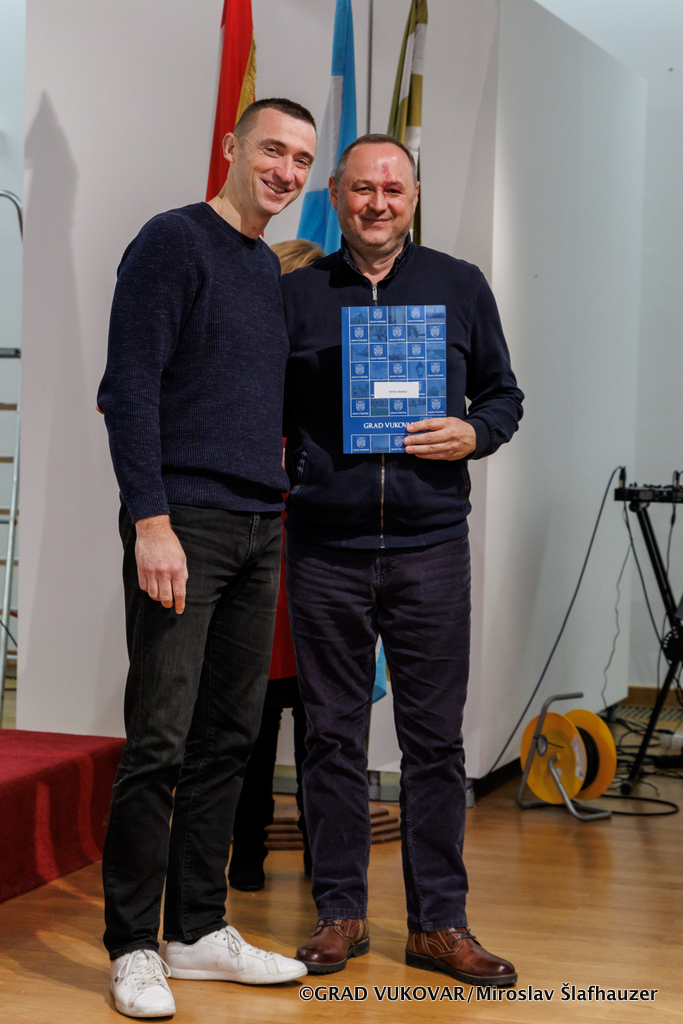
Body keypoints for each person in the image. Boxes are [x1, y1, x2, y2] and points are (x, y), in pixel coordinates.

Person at [280, 134, 524, 985]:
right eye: (360, 189)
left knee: (433, 744)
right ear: (335, 196)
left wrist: (474, 432)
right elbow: (260, 404)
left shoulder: (458, 284)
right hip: (325, 550)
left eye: (391, 188)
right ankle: (339, 912)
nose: (376, 203)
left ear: (413, 195)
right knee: (331, 738)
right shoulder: (296, 293)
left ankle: (439, 925)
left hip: (430, 549)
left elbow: (503, 394)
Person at [97, 98, 317, 1019]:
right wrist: (151, 522)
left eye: (301, 159)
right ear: (230, 147)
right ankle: (132, 946)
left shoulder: (265, 267)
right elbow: (128, 388)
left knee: (230, 738)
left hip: (259, 524)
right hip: (182, 522)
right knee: (160, 738)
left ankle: (194, 930)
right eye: (272, 149)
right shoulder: (172, 241)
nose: (286, 170)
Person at [227, 239, 324, 894]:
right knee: (250, 738)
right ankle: (246, 861)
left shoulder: (327, 372)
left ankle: (326, 867)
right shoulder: (244, 372)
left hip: (320, 580)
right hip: (258, 572)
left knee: (324, 741)